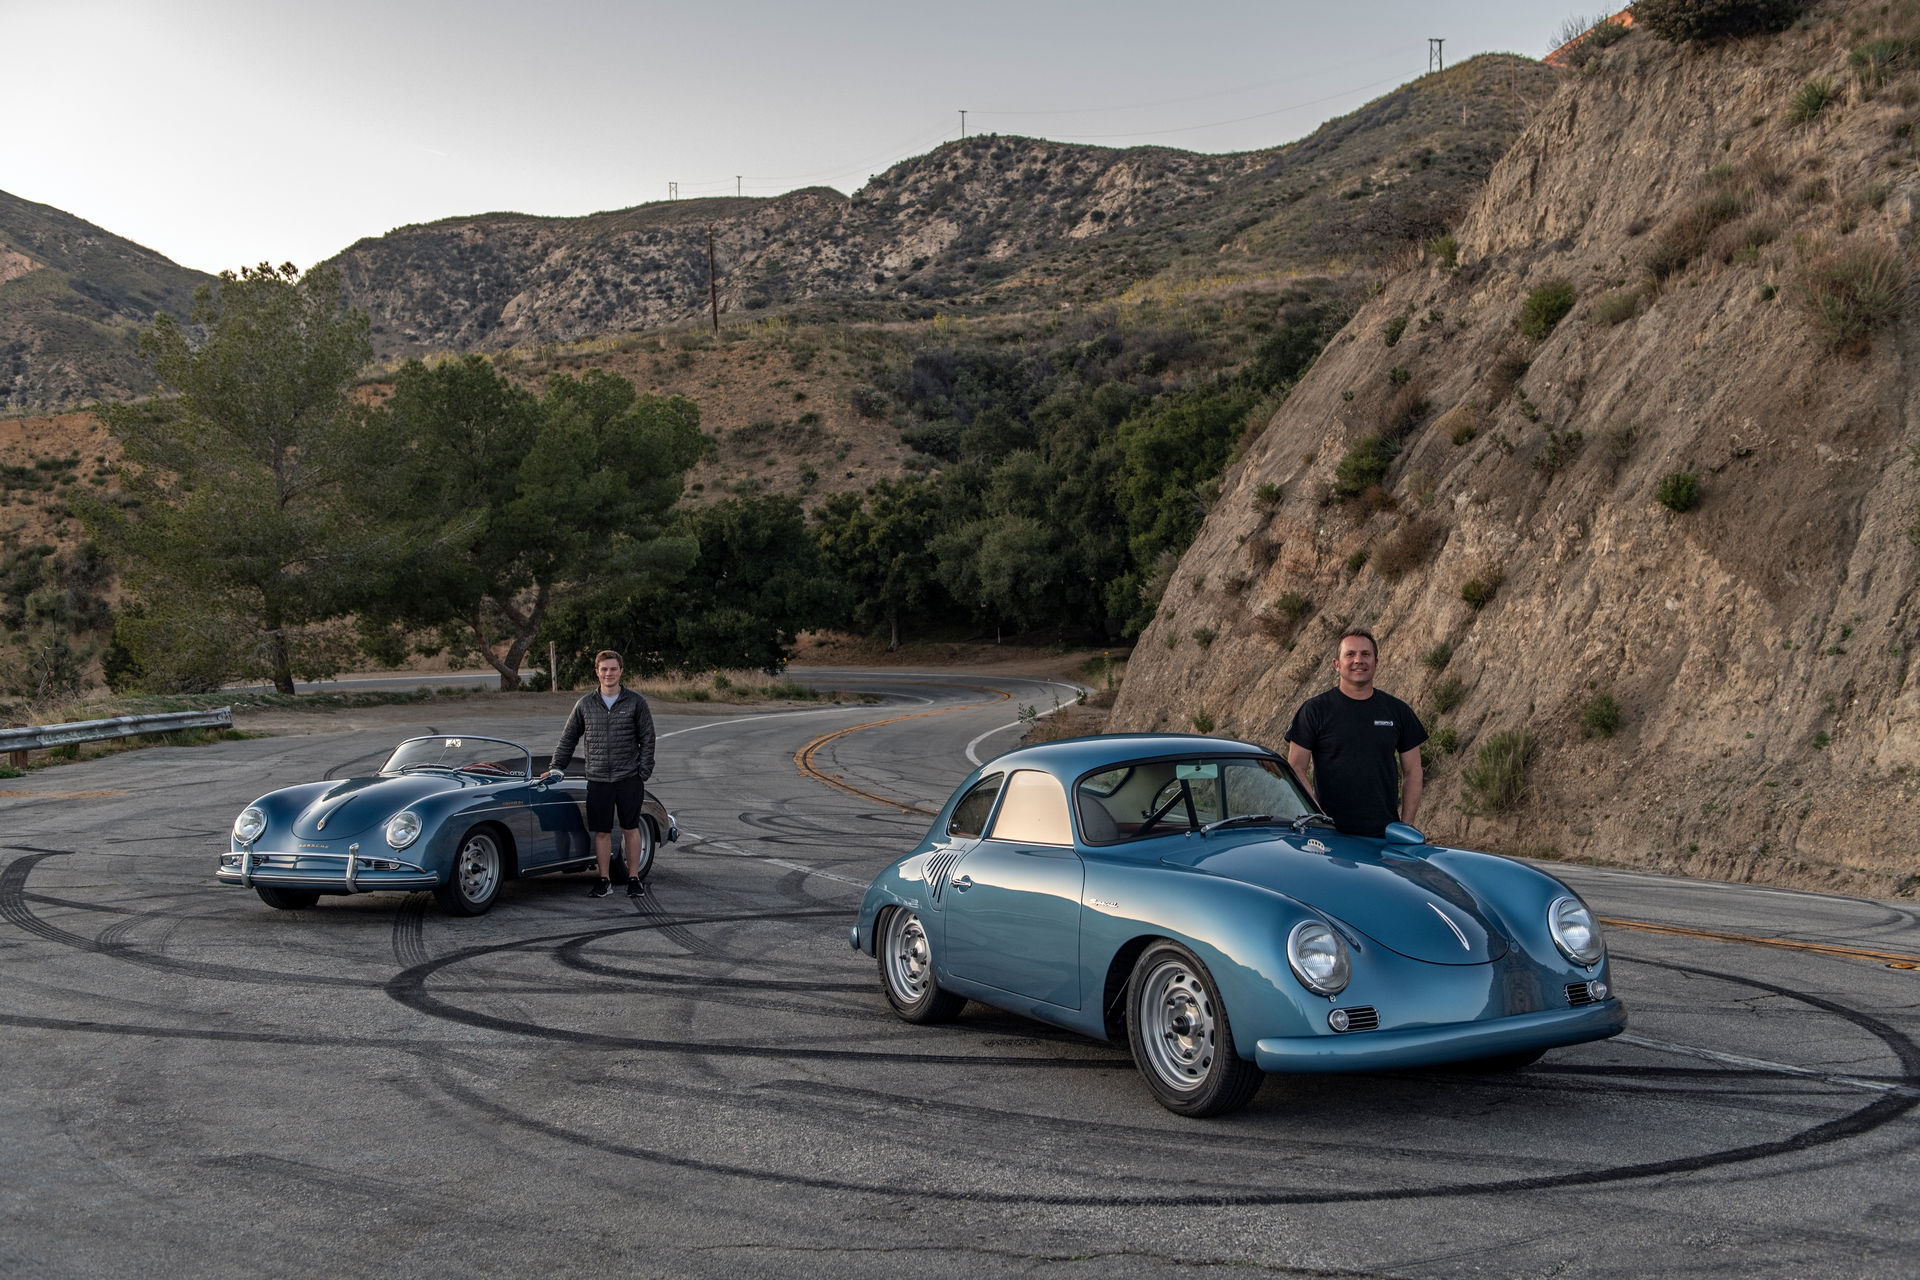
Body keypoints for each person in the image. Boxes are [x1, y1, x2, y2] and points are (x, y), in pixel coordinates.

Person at [1284, 627, 1427, 838]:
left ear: (1376, 662)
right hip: (1331, 836)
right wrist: (1318, 818)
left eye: (1365, 654)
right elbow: (1295, 767)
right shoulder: (1315, 710)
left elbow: (1414, 770)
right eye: (1350, 654)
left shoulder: (1398, 711)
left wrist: (1405, 827)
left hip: (1384, 835)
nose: (1358, 660)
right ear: (1337, 664)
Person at [550, 649, 656, 899]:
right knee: (601, 831)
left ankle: (633, 878)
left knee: (630, 828)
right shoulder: (585, 704)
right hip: (598, 779)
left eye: (613, 669)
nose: (609, 673)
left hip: (628, 778)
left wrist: (643, 772)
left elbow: (648, 739)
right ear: (597, 672)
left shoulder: (636, 702)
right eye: (604, 669)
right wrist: (557, 766)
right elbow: (568, 738)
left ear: (621, 671)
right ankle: (604, 880)